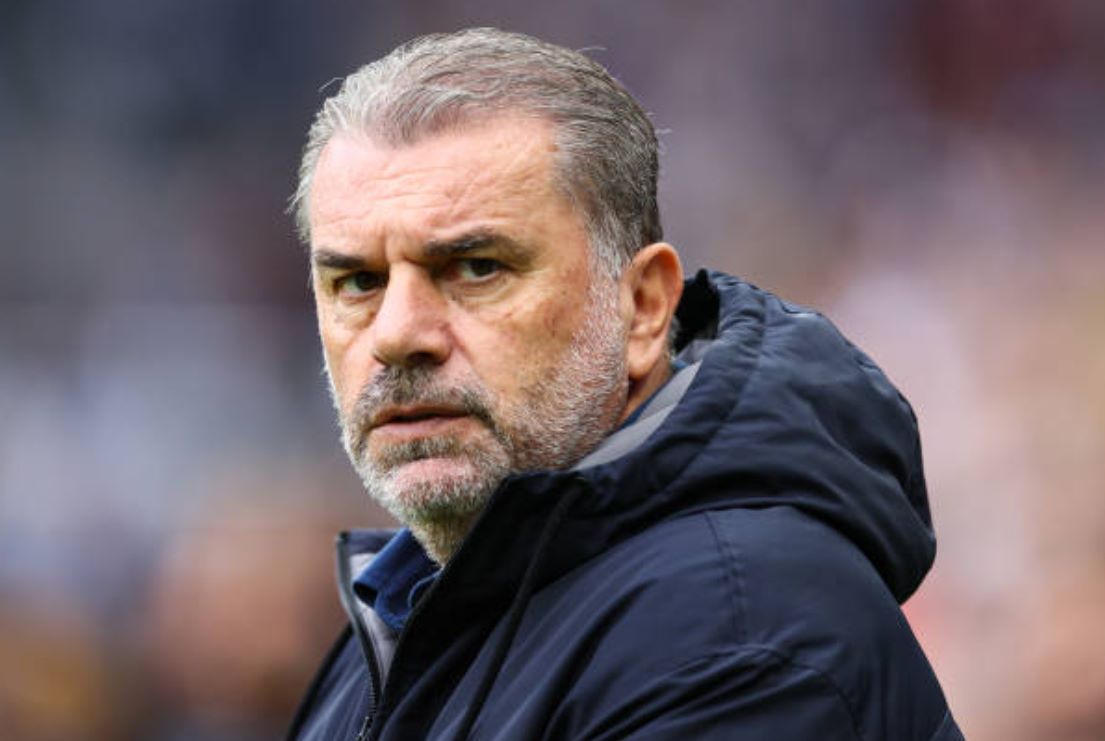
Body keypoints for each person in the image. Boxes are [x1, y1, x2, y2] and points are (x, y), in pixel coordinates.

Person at [284, 27, 963, 741]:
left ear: (641, 306)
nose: (396, 334)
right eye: (357, 281)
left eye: (477, 268)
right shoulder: (405, 611)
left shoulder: (740, 635)